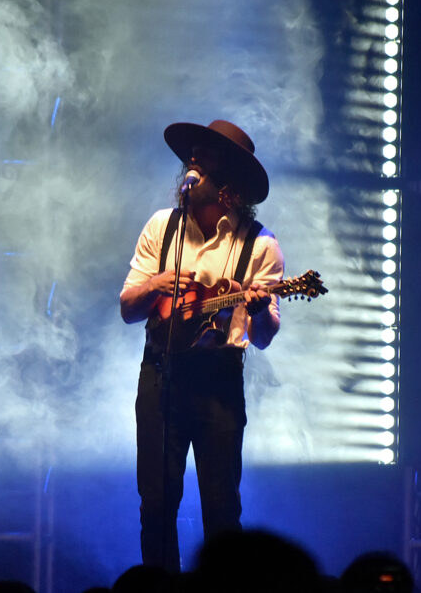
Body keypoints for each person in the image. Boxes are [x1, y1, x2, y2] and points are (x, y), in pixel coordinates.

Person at [120, 119, 284, 572]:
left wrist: (254, 310)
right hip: (161, 375)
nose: (193, 159)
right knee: (155, 502)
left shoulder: (261, 244)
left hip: (218, 380)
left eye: (206, 155)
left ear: (229, 177)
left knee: (221, 508)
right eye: (193, 153)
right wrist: (156, 282)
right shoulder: (162, 227)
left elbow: (265, 338)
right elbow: (129, 309)